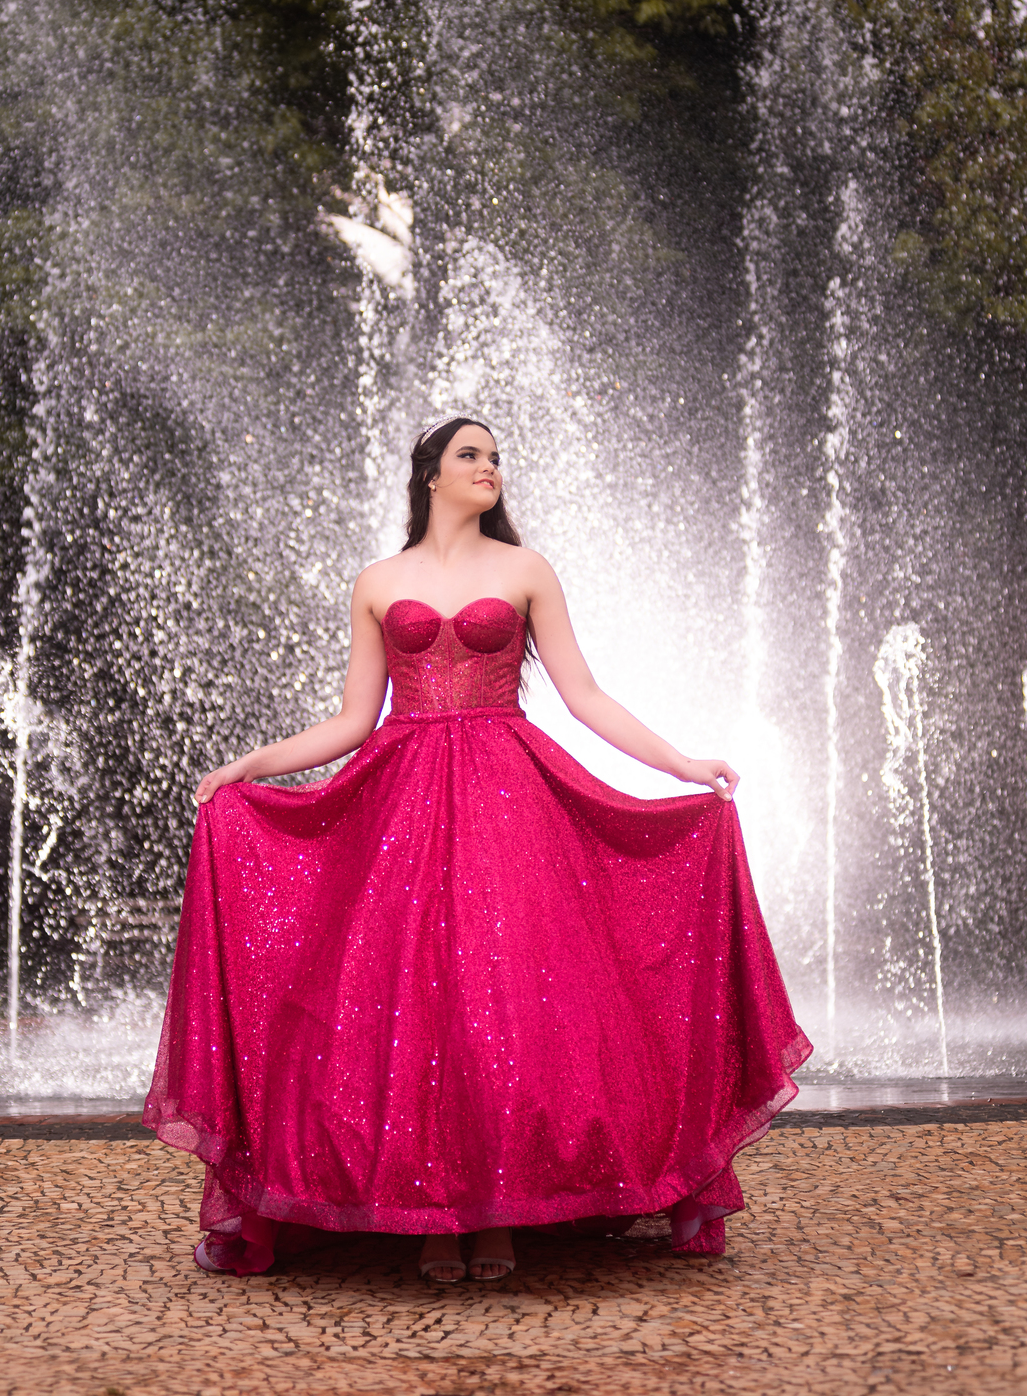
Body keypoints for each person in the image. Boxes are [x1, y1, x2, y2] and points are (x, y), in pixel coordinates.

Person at [144, 416, 810, 1280]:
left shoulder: (525, 570)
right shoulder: (379, 582)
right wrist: (250, 766)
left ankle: (496, 1217)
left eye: (496, 457)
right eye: (472, 456)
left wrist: (681, 764)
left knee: (507, 998)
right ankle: (432, 1220)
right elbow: (353, 720)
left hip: (510, 795)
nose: (490, 468)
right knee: (412, 1004)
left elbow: (583, 695)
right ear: (431, 475)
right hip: (403, 801)